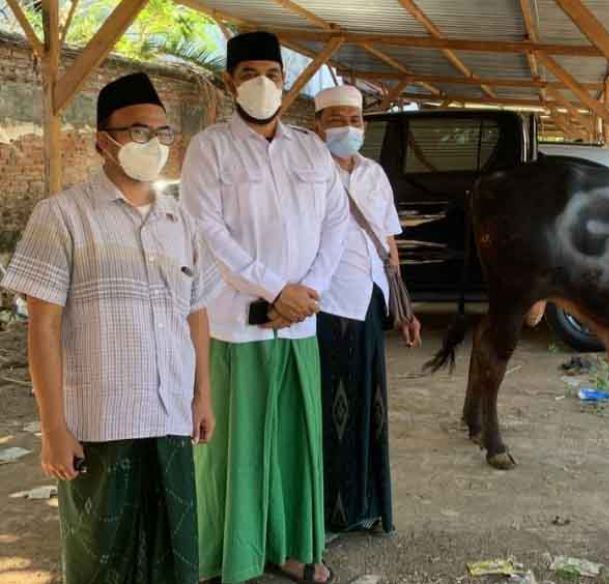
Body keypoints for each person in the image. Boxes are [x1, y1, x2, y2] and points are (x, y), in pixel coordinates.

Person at [1, 72, 215, 584]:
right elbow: (43, 328)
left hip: (168, 416)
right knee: (102, 559)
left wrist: (203, 394)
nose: (153, 143)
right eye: (138, 131)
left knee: (174, 553)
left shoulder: (180, 222)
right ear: (104, 140)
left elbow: (197, 313)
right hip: (101, 424)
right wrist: (54, 428)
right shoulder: (63, 217)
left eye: (162, 133)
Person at [180, 31, 348, 584]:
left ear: (285, 81)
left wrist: (308, 293)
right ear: (230, 82)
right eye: (249, 74)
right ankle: (230, 553)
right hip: (235, 324)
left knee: (294, 444)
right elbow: (209, 231)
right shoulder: (210, 148)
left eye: (272, 75)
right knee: (237, 447)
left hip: (299, 325)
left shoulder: (310, 148)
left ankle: (292, 546)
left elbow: (334, 223)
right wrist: (275, 289)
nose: (262, 85)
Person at [312, 86, 421, 537]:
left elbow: (388, 243)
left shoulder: (374, 174)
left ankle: (367, 505)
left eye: (355, 120)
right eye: (336, 118)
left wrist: (404, 308)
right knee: (328, 408)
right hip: (323, 304)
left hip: (369, 301)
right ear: (318, 125)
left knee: (368, 404)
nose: (347, 127)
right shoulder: (308, 173)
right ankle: (328, 511)